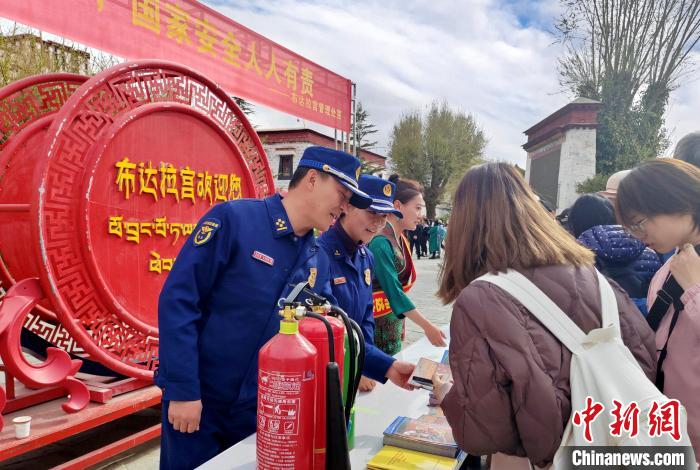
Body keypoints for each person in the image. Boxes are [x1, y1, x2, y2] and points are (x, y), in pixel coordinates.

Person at [156, 146, 372, 469]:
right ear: (312, 179)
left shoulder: (318, 260)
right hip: (200, 405)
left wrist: (387, 368)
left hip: (260, 414)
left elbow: (332, 327)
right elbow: (179, 301)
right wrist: (183, 389)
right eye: (341, 194)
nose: (343, 208)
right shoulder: (236, 220)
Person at [432, 163, 656, 468]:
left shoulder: (480, 297)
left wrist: (447, 394)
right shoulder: (591, 274)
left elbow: (485, 434)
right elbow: (643, 358)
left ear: (464, 223)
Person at [616, 158, 700, 458]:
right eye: (632, 228)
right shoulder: (667, 270)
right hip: (671, 435)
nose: (640, 236)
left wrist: (694, 290)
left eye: (639, 223)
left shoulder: (687, 272)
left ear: (679, 202)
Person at [319, 175, 416, 392]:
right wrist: (379, 365)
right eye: (372, 212)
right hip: (327, 374)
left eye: (385, 215)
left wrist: (364, 367)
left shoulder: (365, 256)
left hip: (355, 368)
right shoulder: (319, 255)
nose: (379, 222)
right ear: (347, 207)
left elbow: (366, 319)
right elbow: (332, 326)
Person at [368, 175, 446, 355]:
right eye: (417, 208)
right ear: (397, 206)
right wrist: (427, 326)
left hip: (391, 320)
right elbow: (394, 292)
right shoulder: (381, 242)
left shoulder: (400, 238)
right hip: (375, 328)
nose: (421, 215)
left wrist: (401, 319)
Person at [568, 194, 661, 315]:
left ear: (575, 223)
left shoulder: (575, 256)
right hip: (646, 325)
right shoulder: (650, 251)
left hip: (601, 327)